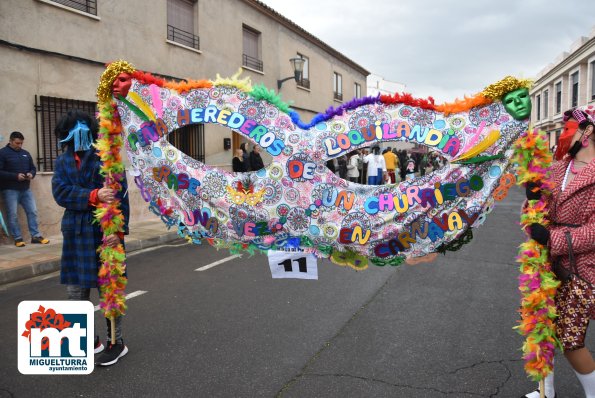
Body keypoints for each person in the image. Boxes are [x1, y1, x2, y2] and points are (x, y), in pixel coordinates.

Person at [523, 108, 595, 398]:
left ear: (586, 132)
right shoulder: (558, 167)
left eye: (568, 129)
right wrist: (532, 201)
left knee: (570, 339)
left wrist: (552, 237)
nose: (563, 135)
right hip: (546, 264)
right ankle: (545, 392)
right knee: (542, 327)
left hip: (582, 270)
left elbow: (593, 231)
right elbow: (538, 214)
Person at [52, 110, 130, 367]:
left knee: (109, 291)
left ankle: (116, 343)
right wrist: (94, 194)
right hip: (75, 232)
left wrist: (117, 234)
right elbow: (61, 192)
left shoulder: (106, 158)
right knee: (76, 292)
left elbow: (121, 195)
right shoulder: (61, 162)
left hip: (104, 233)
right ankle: (88, 340)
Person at [0, 131, 49, 247]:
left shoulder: (25, 153)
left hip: (26, 189)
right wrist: (15, 176)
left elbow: (33, 168)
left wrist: (31, 174)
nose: (19, 146)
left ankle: (35, 236)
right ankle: (18, 238)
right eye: (17, 143)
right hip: (10, 189)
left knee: (32, 211)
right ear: (11, 141)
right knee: (13, 215)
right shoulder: (2, 153)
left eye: (21, 143)